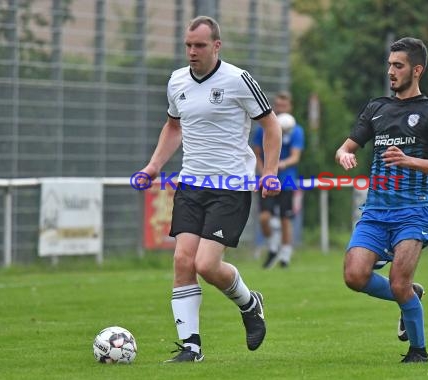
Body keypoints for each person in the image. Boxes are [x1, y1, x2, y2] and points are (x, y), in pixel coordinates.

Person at [138, 16, 282, 363]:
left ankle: (250, 303)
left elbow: (271, 125)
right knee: (182, 260)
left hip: (230, 186)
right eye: (188, 45)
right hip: (191, 183)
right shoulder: (176, 82)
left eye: (199, 45)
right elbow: (173, 127)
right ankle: (191, 347)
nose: (192, 52)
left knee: (206, 263)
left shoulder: (238, 79)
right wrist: (153, 166)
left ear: (216, 46)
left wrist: (271, 172)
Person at [335, 37, 428, 363]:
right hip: (376, 211)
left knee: (398, 281)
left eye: (398, 65)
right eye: (389, 64)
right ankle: (410, 297)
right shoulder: (376, 108)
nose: (391, 71)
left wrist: (410, 160)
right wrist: (345, 155)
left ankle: (418, 351)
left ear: (417, 70)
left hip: (414, 210)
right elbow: (346, 147)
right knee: (354, 276)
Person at [252, 91, 305, 268]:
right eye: (278, 105)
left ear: (290, 107)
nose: (281, 109)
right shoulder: (263, 128)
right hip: (266, 179)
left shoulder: (296, 130)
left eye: (284, 105)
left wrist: (280, 165)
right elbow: (257, 154)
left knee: (285, 218)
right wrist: (265, 173)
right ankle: (273, 246)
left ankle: (285, 257)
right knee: (265, 218)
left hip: (286, 180)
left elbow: (295, 157)